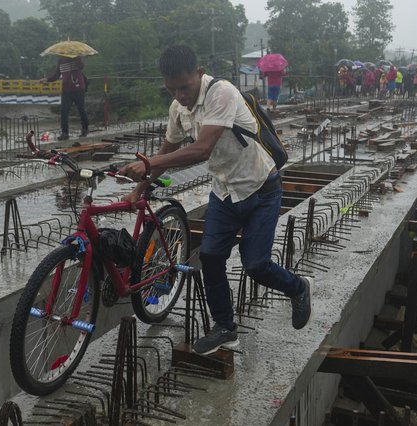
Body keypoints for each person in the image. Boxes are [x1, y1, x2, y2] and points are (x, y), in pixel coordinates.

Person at [119, 45, 312, 355]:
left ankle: (298, 287)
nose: (180, 95)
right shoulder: (177, 108)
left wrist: (148, 164)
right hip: (224, 191)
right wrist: (139, 189)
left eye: (184, 87)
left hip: (261, 188)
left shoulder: (221, 93)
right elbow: (167, 153)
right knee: (210, 256)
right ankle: (225, 327)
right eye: (172, 89)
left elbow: (202, 149)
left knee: (256, 263)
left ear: (199, 73)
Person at [41, 55, 89, 140]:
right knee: (64, 111)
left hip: (78, 88)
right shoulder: (60, 61)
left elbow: (81, 67)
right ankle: (64, 133)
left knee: (81, 109)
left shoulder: (76, 58)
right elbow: (56, 75)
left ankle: (85, 129)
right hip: (66, 90)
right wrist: (47, 79)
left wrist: (75, 58)